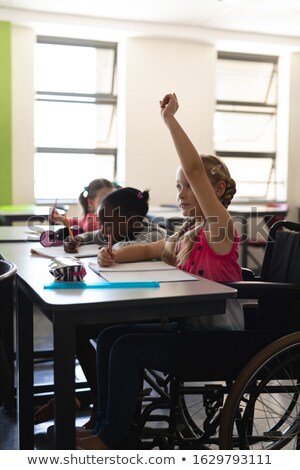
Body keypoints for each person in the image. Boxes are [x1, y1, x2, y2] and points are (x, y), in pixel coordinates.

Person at [75, 93, 244, 450]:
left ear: (216, 191)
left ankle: (111, 438)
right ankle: (104, 425)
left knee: (124, 349)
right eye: (179, 186)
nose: (181, 193)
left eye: (187, 187)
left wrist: (169, 120)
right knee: (109, 337)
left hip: (213, 342)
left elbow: (196, 168)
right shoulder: (188, 231)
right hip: (187, 330)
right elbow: (153, 248)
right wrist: (115, 256)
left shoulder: (219, 228)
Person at [35, 187, 166, 427]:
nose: (104, 229)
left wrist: (112, 252)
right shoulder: (116, 230)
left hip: (145, 312)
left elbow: (132, 250)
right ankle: (90, 396)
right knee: (73, 329)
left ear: (133, 220)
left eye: (108, 223)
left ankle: (103, 403)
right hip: (120, 305)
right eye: (102, 223)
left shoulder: (153, 233)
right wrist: (77, 240)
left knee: (86, 330)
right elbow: (93, 235)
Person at [50, 178, 118, 232]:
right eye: (103, 200)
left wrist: (62, 219)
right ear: (91, 203)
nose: (110, 204)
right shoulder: (91, 221)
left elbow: (75, 221)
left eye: (113, 199)